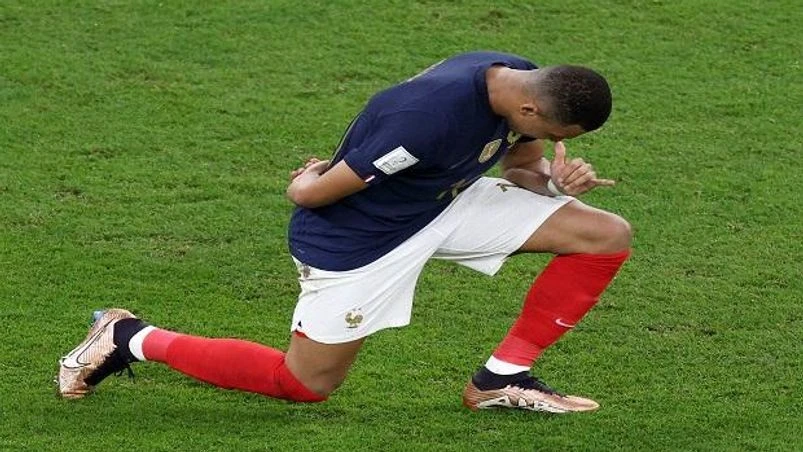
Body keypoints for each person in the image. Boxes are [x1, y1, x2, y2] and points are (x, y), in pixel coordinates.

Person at [58, 51, 631, 413]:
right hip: (364, 240)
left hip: (442, 203)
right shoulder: (427, 120)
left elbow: (520, 167)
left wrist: (554, 184)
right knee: (303, 385)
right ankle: (127, 335)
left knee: (605, 233)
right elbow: (310, 193)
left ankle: (500, 379)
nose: (563, 142)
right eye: (561, 134)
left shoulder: (514, 80)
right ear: (530, 108)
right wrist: (310, 176)